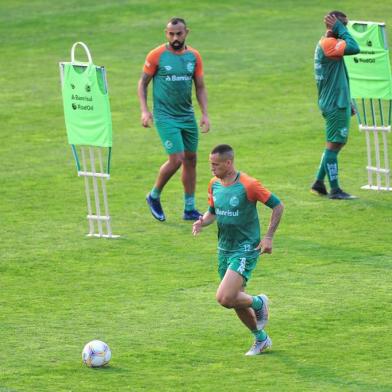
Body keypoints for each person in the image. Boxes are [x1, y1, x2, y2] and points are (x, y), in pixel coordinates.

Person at [192, 144, 284, 355]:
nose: (212, 168)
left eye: (215, 165)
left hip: (245, 248)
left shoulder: (249, 185)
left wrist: (268, 237)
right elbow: (213, 212)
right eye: (210, 164)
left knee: (224, 297)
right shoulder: (214, 184)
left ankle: (259, 302)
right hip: (224, 248)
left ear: (228, 163)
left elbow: (278, 206)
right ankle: (261, 340)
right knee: (234, 300)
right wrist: (201, 222)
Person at [138, 17, 210, 221]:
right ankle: (153, 196)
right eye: (171, 33)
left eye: (179, 33)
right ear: (166, 33)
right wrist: (145, 111)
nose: (175, 37)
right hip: (165, 116)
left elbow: (200, 86)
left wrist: (204, 113)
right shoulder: (157, 55)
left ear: (186, 32)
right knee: (176, 159)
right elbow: (142, 84)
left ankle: (189, 208)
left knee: (191, 160)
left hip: (187, 115)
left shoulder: (194, 56)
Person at [311, 11, 360, 199]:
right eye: (343, 25)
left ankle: (318, 183)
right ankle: (335, 190)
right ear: (335, 26)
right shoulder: (330, 44)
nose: (345, 29)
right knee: (334, 145)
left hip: (335, 100)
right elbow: (355, 47)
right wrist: (338, 28)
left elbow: (341, 72)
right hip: (334, 103)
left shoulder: (325, 43)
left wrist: (349, 100)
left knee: (334, 145)